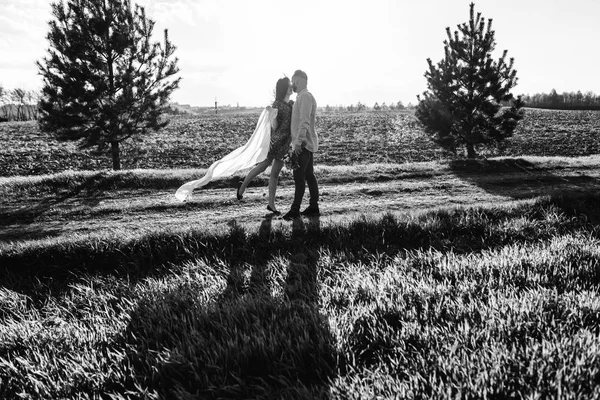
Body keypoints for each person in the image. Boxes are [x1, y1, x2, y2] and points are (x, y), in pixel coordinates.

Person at [236, 77, 294, 215]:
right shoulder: (277, 104)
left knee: (275, 175)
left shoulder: (291, 104)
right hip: (275, 142)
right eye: (289, 85)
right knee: (262, 167)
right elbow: (275, 126)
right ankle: (242, 187)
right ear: (283, 88)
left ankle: (271, 205)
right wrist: (273, 117)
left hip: (284, 144)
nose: (291, 86)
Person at [282, 70, 319, 221]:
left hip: (303, 144)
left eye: (294, 80)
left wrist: (297, 143)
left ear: (300, 80)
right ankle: (314, 207)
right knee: (309, 175)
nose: (293, 84)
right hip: (305, 143)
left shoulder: (305, 97)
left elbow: (304, 121)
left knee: (299, 177)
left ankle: (295, 210)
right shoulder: (302, 97)